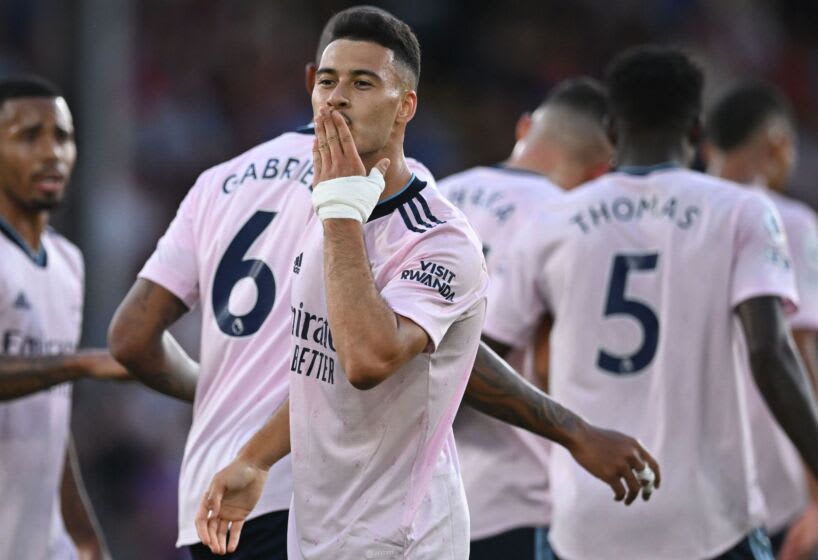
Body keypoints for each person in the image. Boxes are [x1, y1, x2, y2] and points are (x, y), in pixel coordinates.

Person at [111, 7, 659, 559]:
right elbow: (318, 372)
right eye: (328, 81)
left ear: (406, 106)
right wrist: (254, 458)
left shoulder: (437, 236)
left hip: (401, 538)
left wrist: (341, 215)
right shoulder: (330, 222)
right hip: (316, 529)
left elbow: (368, 361)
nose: (337, 97)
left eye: (363, 82)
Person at [485, 45, 818, 559]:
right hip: (709, 520)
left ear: (613, 131)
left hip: (585, 516)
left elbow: (480, 357)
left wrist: (571, 431)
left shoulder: (550, 222)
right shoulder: (743, 212)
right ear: (696, 133)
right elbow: (771, 355)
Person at [439, 77, 612, 559]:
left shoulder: (432, 195)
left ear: (525, 127)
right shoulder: (572, 220)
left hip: (413, 502)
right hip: (510, 500)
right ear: (602, 174)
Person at [0, 76, 128, 559]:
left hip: (41, 543)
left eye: (62, 136)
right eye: (28, 136)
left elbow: (50, 414)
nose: (51, 152)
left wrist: (82, 534)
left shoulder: (67, 262)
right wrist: (80, 364)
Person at [706, 82, 818, 560]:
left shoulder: (675, 216)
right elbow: (799, 350)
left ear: (707, 146)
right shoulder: (784, 219)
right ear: (777, 143)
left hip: (685, 475)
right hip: (772, 478)